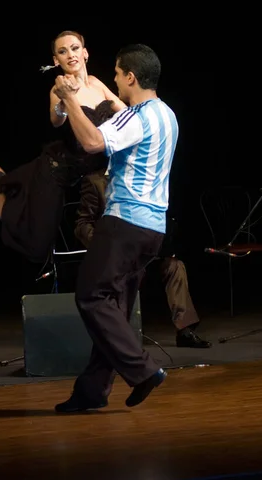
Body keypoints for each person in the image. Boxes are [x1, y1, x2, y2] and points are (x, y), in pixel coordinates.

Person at [0, 30, 126, 264]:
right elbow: (56, 119)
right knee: (35, 245)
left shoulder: (97, 84)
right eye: (62, 51)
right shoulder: (58, 90)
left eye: (75, 48)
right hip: (55, 172)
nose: (71, 54)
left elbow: (125, 113)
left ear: (85, 53)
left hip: (80, 174)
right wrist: (66, 101)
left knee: (6, 182)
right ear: (56, 61)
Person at [53, 43, 179, 413]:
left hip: (125, 223)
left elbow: (92, 142)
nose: (113, 79)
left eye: (117, 73)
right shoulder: (168, 115)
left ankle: (143, 371)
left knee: (91, 297)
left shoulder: (136, 116)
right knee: (115, 309)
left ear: (130, 77)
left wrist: (67, 98)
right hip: (153, 229)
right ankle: (91, 392)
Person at [74, 168, 212, 348]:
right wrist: (104, 246)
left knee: (175, 266)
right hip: (117, 255)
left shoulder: (143, 178)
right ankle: (121, 335)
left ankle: (184, 330)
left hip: (145, 250)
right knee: (129, 274)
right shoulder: (95, 181)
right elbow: (82, 224)